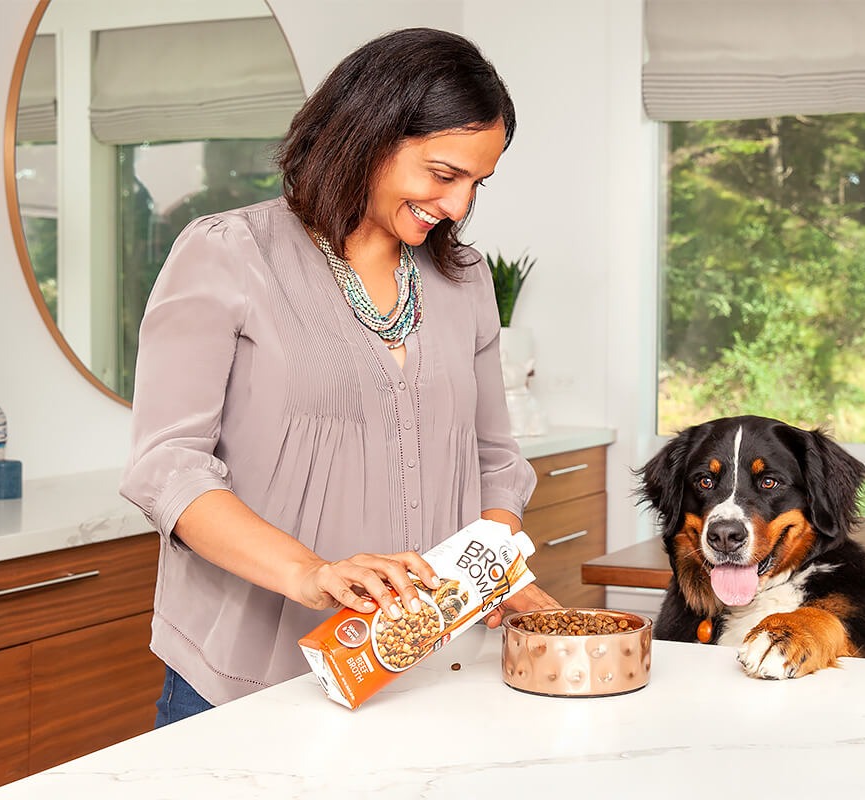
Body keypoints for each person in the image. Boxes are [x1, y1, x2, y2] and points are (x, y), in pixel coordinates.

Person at [120, 27, 557, 727]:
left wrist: (485, 572)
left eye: (478, 183)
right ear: (368, 133)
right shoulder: (228, 254)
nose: (458, 207)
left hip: (419, 670)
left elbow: (495, 462)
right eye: (443, 175)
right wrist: (311, 574)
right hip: (247, 682)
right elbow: (167, 467)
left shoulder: (464, 279)